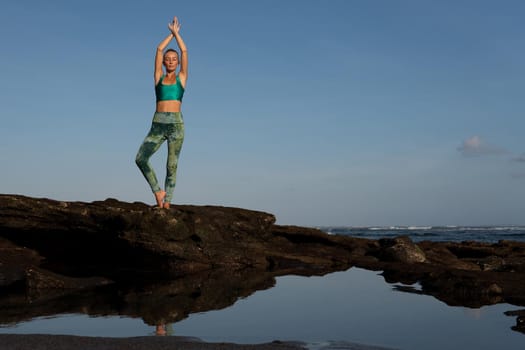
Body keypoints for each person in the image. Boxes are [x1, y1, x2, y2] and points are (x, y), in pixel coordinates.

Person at [136, 16, 188, 209]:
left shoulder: (182, 78)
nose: (171, 61)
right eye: (168, 59)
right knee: (140, 158)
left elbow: (184, 50)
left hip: (176, 124)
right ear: (165, 63)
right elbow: (158, 50)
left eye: (174, 59)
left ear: (178, 63)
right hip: (158, 123)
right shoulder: (158, 77)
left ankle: (167, 202)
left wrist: (177, 35)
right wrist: (170, 35)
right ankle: (158, 191)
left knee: (171, 165)